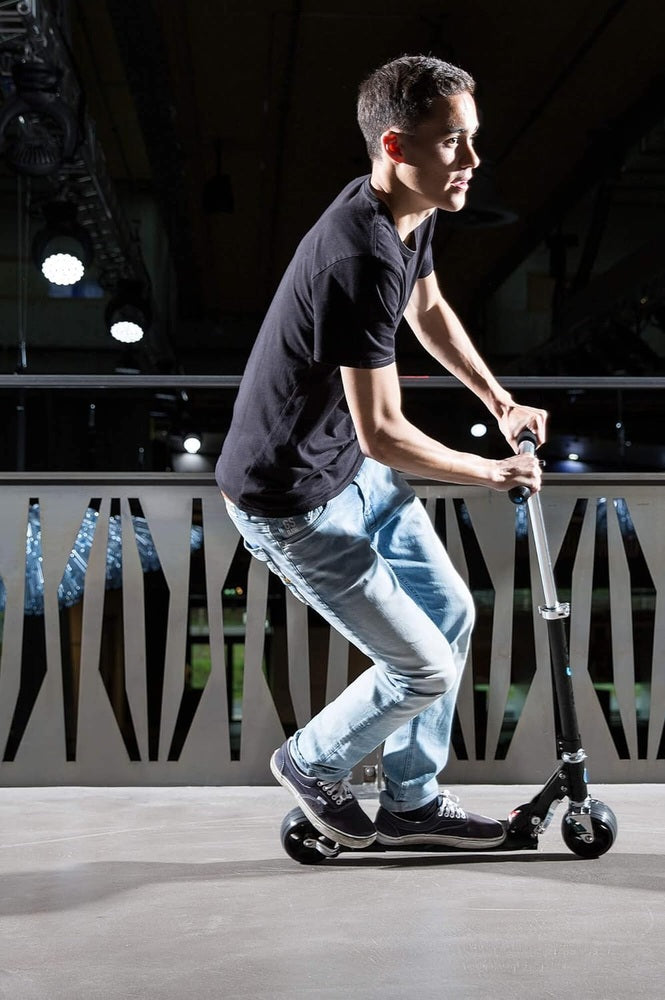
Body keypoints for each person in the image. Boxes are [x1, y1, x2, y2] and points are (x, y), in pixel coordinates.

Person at [216, 54, 546, 850]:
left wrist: (498, 402)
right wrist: (494, 471)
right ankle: (310, 761)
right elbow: (388, 432)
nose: (471, 160)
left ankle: (411, 803)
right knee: (424, 669)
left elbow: (427, 306)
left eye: (473, 139)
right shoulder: (357, 257)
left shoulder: (409, 209)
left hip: (350, 473)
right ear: (396, 146)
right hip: (291, 499)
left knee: (453, 612)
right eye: (451, 144)